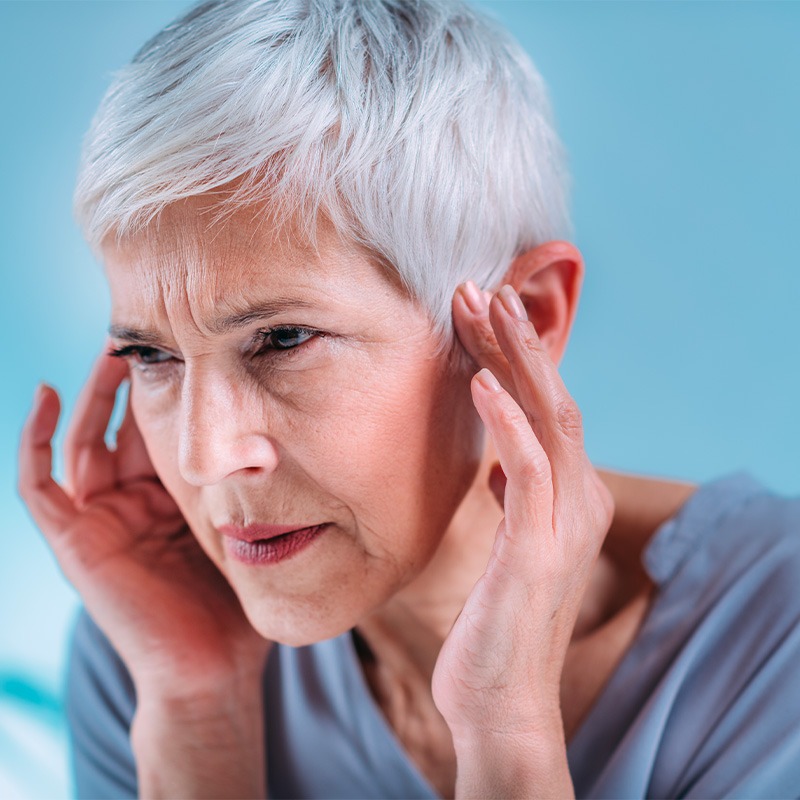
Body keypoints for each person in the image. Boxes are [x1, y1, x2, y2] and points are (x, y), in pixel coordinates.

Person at [17, 0, 800, 797]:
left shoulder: (780, 644)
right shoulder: (151, 641)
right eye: (151, 355)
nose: (202, 455)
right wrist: (198, 715)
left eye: (283, 339)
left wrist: (507, 725)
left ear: (526, 316)